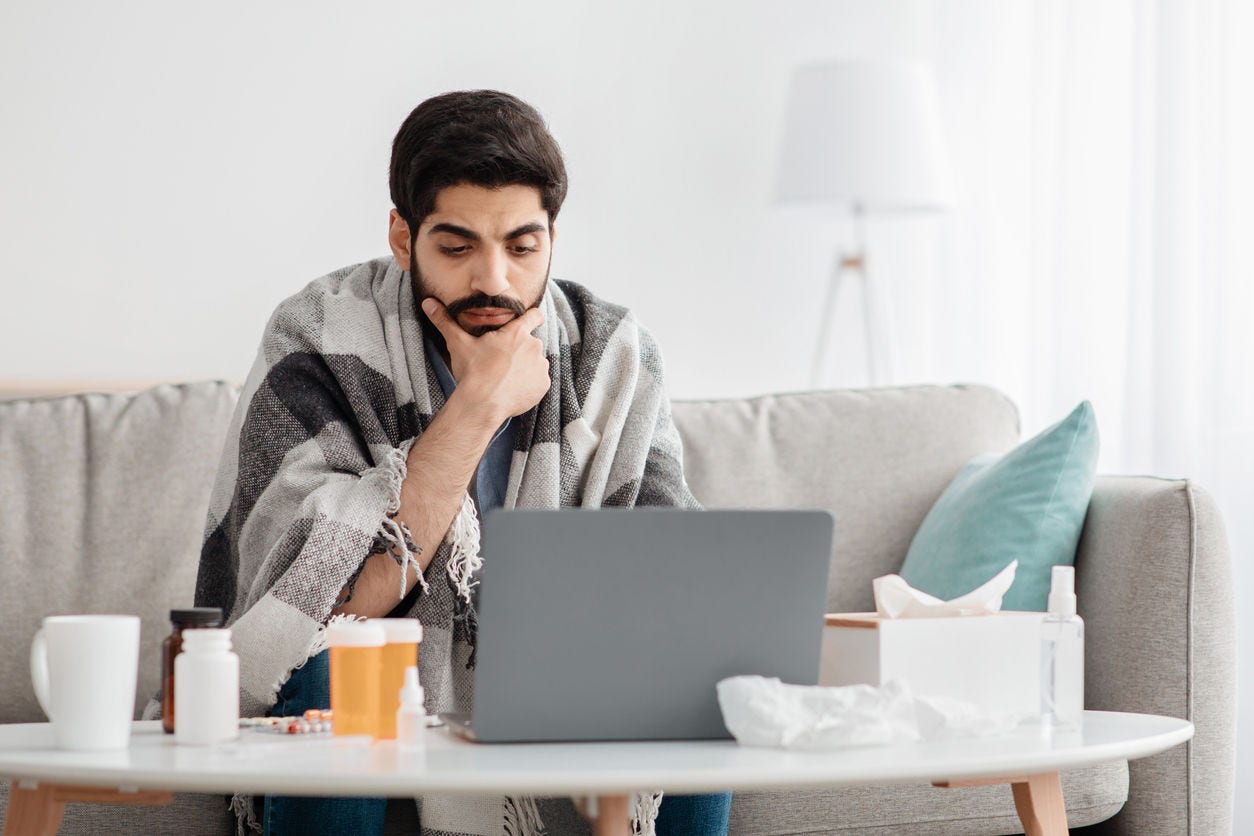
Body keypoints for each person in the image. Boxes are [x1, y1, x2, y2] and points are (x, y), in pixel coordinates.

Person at [193, 89, 732, 836]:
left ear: (552, 235)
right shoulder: (317, 336)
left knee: (701, 680)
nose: (494, 281)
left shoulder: (612, 352)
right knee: (339, 676)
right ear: (401, 235)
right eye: (456, 246)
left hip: (564, 671)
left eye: (522, 246)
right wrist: (477, 406)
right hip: (372, 669)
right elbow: (317, 608)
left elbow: (673, 586)